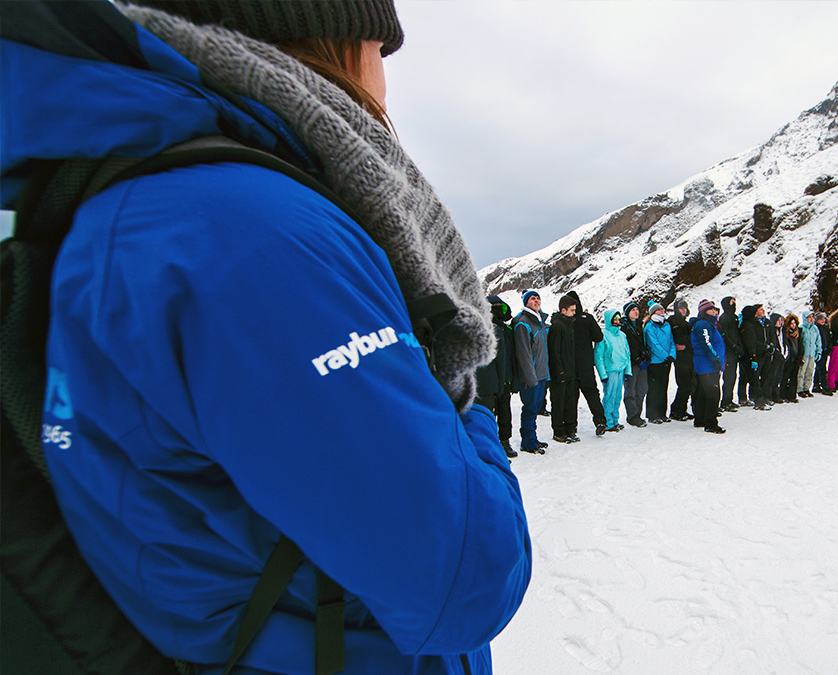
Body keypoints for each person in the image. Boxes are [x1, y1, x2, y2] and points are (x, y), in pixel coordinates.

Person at [7, 1, 532, 672]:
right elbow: (463, 580)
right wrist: (470, 419)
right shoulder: (250, 234)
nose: (384, 78)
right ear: (330, 36)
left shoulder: (161, 207)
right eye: (379, 45)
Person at [477, 295, 519, 457]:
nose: (496, 308)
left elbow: (513, 357)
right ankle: (491, 443)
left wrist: (514, 379)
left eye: (498, 306)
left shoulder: (508, 330)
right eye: (492, 306)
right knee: (489, 413)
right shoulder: (485, 329)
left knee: (505, 411)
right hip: (491, 381)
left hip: (506, 377)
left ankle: (505, 441)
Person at [567, 291, 609, 436]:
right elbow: (598, 336)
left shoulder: (564, 320)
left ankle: (571, 428)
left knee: (572, 396)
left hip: (570, 364)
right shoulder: (587, 318)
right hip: (585, 363)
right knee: (592, 393)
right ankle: (600, 421)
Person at [514, 291, 551, 453]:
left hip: (541, 374)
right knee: (529, 408)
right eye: (532, 298)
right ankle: (528, 443)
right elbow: (524, 354)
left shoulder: (539, 322)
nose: (536, 300)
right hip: (531, 377)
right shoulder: (523, 323)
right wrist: (530, 377)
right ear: (526, 303)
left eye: (538, 298)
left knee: (535, 408)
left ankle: (532, 438)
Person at [548, 295, 582, 444]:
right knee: (559, 402)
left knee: (570, 401)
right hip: (560, 373)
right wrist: (559, 371)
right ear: (563, 310)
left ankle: (571, 429)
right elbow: (554, 351)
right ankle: (559, 431)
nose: (574, 313)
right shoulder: (557, 326)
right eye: (572, 310)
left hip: (570, 371)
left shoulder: (569, 325)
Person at [690, 300, 727, 433]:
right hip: (707, 365)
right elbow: (706, 344)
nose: (715, 311)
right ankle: (711, 423)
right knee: (713, 394)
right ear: (704, 312)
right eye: (711, 309)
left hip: (708, 364)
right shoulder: (703, 324)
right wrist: (715, 359)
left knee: (703, 393)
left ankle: (700, 419)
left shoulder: (709, 324)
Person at [595, 309, 632, 432]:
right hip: (610, 370)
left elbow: (627, 354)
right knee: (609, 396)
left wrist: (628, 370)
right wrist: (603, 374)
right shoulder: (603, 334)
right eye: (614, 319)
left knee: (617, 396)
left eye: (618, 319)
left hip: (620, 369)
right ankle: (608, 422)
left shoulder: (622, 335)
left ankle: (615, 420)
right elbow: (598, 356)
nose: (617, 321)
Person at [644, 302, 675, 423]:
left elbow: (672, 341)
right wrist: (665, 356)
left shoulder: (666, 325)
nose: (662, 311)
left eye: (662, 309)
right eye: (658, 310)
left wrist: (672, 355)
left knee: (663, 387)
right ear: (653, 313)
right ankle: (652, 415)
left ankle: (662, 413)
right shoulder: (649, 327)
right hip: (655, 361)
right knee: (654, 388)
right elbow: (653, 344)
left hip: (666, 361)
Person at [621, 302, 650, 427]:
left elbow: (643, 343)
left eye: (637, 309)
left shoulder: (640, 325)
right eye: (633, 310)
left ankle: (638, 413)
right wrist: (636, 358)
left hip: (641, 362)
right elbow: (626, 346)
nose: (636, 311)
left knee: (642, 389)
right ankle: (632, 416)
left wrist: (646, 355)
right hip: (631, 363)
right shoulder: (623, 326)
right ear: (627, 313)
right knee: (630, 390)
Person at [668, 299, 695, 421]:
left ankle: (682, 409)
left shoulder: (686, 323)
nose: (683, 310)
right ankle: (676, 410)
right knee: (684, 385)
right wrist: (690, 341)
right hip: (681, 359)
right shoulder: (673, 321)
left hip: (688, 357)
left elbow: (688, 340)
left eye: (685, 308)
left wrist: (688, 342)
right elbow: (679, 338)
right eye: (681, 308)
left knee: (688, 385)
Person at [739, 304, 769, 408]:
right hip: (749, 355)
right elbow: (750, 343)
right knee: (754, 379)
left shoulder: (747, 324)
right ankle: (759, 402)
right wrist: (753, 357)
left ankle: (745, 398)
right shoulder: (748, 326)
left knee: (749, 378)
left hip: (747, 355)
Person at [717, 296, 743, 411]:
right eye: (731, 303)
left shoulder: (734, 317)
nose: (734, 305)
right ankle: (725, 401)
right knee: (728, 377)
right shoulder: (724, 318)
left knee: (733, 376)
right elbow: (725, 335)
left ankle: (730, 399)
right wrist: (733, 346)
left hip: (735, 351)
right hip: (728, 351)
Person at [763, 313, 786, 403]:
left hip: (782, 356)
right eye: (778, 320)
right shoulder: (771, 330)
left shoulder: (782, 331)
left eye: (781, 320)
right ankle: (769, 395)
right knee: (771, 377)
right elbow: (773, 343)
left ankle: (776, 394)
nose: (780, 322)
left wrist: (785, 354)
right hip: (774, 357)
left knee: (778, 377)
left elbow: (784, 343)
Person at [799, 311, 822, 398]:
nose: (811, 319)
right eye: (809, 317)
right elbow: (800, 342)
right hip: (804, 354)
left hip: (812, 353)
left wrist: (818, 351)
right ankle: (800, 389)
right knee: (801, 372)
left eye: (812, 317)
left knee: (810, 372)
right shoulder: (801, 328)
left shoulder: (814, 328)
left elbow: (818, 341)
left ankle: (806, 388)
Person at [780, 314, 802, 402]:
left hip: (796, 358)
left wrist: (800, 355)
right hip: (789, 358)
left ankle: (792, 395)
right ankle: (783, 394)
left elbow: (800, 345)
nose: (793, 325)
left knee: (794, 378)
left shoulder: (797, 333)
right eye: (791, 323)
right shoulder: (786, 334)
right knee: (785, 377)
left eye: (794, 323)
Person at [814, 312, 834, 396]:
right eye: (821, 319)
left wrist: (829, 348)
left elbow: (829, 339)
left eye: (824, 319)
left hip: (825, 350)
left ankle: (816, 385)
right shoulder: (816, 329)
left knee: (820, 368)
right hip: (819, 351)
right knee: (822, 368)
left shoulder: (825, 328)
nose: (823, 320)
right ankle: (824, 386)